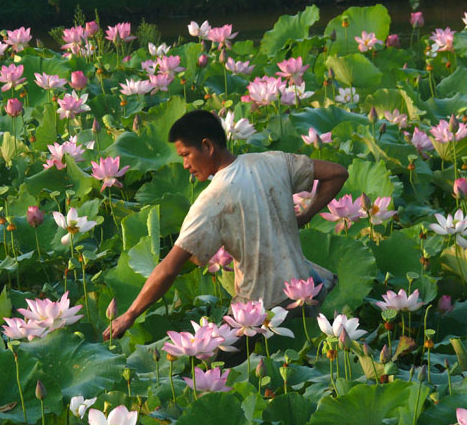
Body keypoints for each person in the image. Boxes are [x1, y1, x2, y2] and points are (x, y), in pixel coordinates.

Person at [103, 109, 348, 340]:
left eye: (186, 155)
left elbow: (169, 268)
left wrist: (130, 314)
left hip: (259, 311)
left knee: (212, 364)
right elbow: (337, 173)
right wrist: (306, 214)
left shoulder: (211, 200)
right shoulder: (274, 161)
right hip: (305, 291)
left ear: (208, 146)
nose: (185, 165)